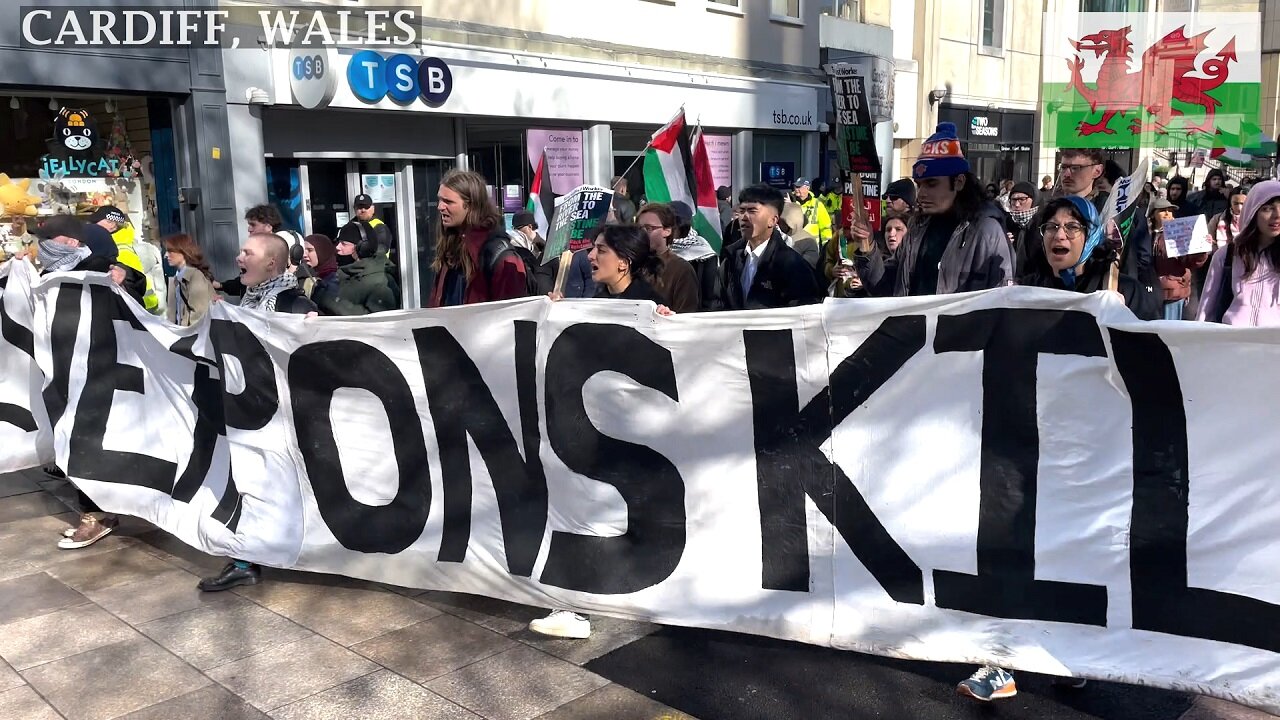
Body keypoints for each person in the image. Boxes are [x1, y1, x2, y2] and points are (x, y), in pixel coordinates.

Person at [200, 232, 316, 592]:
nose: (238, 258)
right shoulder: (249, 301)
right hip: (249, 414)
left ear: (271, 263)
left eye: (246, 252)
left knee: (274, 486)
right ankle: (245, 559)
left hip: (279, 420)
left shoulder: (293, 305)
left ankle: (252, 558)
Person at [33, 215, 131, 549]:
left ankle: (96, 516)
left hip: (96, 371)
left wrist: (126, 276)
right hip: (62, 373)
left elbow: (134, 283)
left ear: (72, 242)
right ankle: (102, 509)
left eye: (48, 239)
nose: (40, 247)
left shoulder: (96, 265)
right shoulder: (46, 275)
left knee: (83, 441)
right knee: (71, 440)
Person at [856, 123, 1013, 298]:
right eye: (919, 184)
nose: (921, 193)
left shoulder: (986, 231)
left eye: (932, 184)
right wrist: (867, 247)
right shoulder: (916, 228)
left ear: (959, 182)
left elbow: (1002, 300)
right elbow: (885, 288)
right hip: (913, 324)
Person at [428, 170, 529, 306]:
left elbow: (511, 317)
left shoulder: (501, 257)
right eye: (439, 200)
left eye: (448, 202)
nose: (440, 207)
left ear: (470, 206)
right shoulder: (451, 247)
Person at [719, 184, 823, 309]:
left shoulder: (793, 265)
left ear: (773, 220)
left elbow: (802, 316)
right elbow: (717, 303)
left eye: (752, 211)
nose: (744, 217)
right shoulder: (731, 258)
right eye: (741, 211)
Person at [1196, 180, 1280, 326]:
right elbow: (1206, 309)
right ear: (1252, 212)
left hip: (1273, 344)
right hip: (1232, 342)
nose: (1277, 215)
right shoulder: (1227, 255)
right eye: (1267, 208)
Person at [318, 220, 399, 316]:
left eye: (344, 244)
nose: (337, 247)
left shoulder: (380, 282)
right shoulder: (346, 274)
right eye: (338, 242)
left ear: (363, 247)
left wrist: (332, 301)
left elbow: (377, 321)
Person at [1149, 198, 1209, 320]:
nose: (1167, 213)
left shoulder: (1179, 232)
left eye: (1170, 211)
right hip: (1151, 290)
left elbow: (1192, 261)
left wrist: (1201, 249)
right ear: (1153, 214)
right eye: (1162, 210)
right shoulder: (1146, 233)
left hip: (1174, 291)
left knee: (1169, 331)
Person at [637, 203, 700, 312]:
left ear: (667, 231)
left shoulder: (681, 269)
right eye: (638, 228)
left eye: (648, 228)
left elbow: (686, 314)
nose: (641, 233)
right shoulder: (630, 265)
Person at [88, 206, 153, 311]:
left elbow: (133, 285)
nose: (92, 227)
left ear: (112, 224)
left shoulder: (120, 250)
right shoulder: (116, 244)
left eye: (96, 223)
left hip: (138, 311)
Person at [163, 233, 215, 327]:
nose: (166, 255)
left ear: (183, 252)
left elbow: (199, 315)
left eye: (170, 251)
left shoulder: (195, 276)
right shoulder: (176, 279)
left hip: (192, 336)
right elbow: (173, 312)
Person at [301, 233, 339, 309]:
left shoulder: (334, 280)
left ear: (322, 251)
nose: (304, 255)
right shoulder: (306, 275)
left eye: (310, 250)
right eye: (303, 250)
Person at [790, 178, 833, 245]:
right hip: (794, 244)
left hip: (812, 246)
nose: (796, 189)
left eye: (799, 187)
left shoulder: (817, 204)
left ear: (807, 188)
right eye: (795, 187)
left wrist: (826, 246)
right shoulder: (790, 202)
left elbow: (825, 227)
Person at [353, 193, 395, 260]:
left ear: (373, 208)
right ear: (354, 209)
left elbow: (379, 251)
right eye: (359, 207)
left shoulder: (380, 227)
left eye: (366, 207)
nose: (363, 210)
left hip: (376, 268)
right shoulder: (350, 226)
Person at [779, 201, 821, 268]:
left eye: (782, 222)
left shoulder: (809, 241)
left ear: (790, 222)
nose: (779, 224)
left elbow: (807, 266)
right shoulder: (778, 236)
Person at [1006, 181, 1038, 247]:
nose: (1017, 204)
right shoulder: (1006, 223)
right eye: (1014, 200)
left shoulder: (1043, 225)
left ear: (1033, 200)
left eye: (1022, 199)